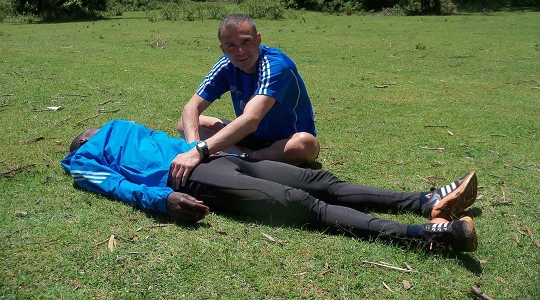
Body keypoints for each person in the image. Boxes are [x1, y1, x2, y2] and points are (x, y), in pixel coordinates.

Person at [61, 120, 479, 252]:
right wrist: (164, 198)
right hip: (190, 177)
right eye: (84, 133)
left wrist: (215, 148)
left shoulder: (120, 124)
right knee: (302, 203)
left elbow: (174, 141)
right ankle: (425, 236)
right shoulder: (81, 162)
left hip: (215, 158)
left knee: (319, 180)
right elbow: (118, 187)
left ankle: (425, 201)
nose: (88, 130)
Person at [176, 14, 319, 169]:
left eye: (246, 41)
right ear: (223, 49)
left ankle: (246, 157)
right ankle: (242, 156)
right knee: (186, 124)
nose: (240, 51)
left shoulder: (275, 65)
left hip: (285, 140)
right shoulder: (226, 66)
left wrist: (202, 150)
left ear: (258, 39)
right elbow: (192, 107)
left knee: (305, 144)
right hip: (249, 136)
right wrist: (194, 147)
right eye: (231, 46)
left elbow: (251, 119)